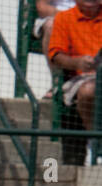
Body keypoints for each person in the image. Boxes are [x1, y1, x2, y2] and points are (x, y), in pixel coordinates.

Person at [47, 0, 101, 137]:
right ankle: (95, 142)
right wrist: (77, 63)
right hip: (81, 77)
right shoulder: (63, 18)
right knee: (89, 90)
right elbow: (56, 55)